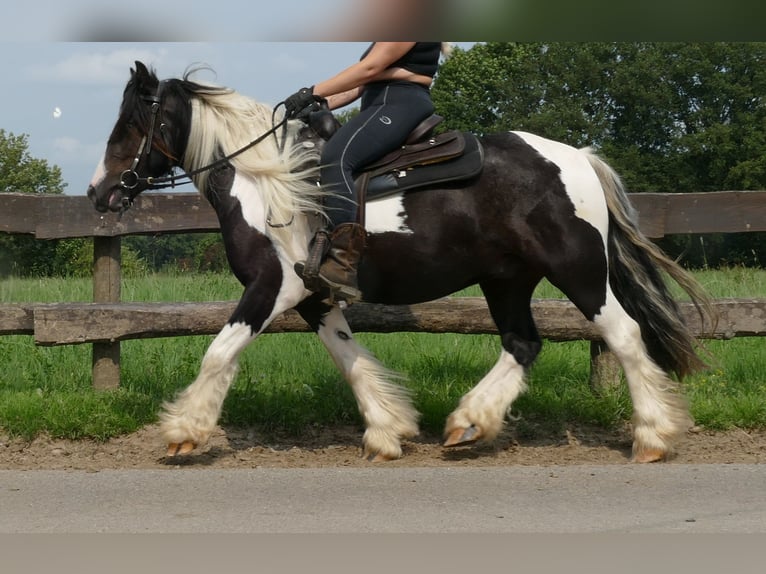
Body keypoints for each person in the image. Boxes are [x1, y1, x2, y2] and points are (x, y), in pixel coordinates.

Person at [283, 42, 446, 303]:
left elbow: (370, 68)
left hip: (397, 102)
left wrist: (311, 92)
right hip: (381, 102)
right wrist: (317, 105)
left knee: (336, 158)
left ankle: (342, 263)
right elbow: (361, 84)